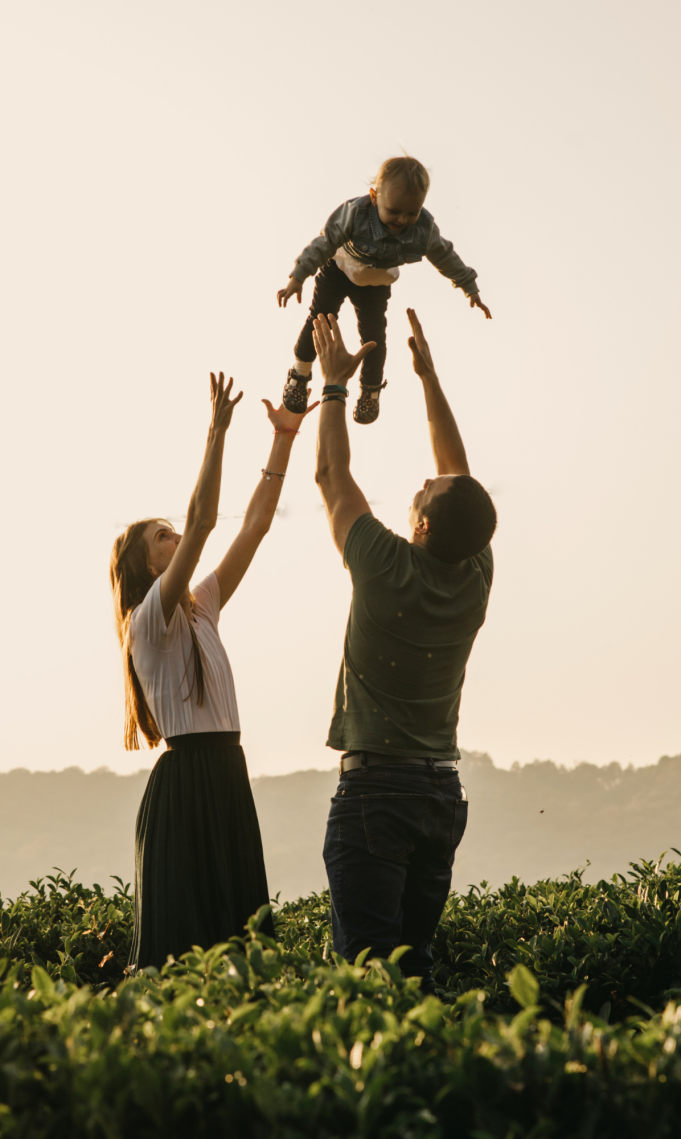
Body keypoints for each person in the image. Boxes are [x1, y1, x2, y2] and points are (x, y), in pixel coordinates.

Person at [310, 308, 497, 992]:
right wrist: (428, 379)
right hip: (439, 793)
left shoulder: (385, 565)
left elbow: (331, 477)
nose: (422, 480)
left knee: (365, 978)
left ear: (419, 524)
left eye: (422, 491)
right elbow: (461, 480)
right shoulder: (474, 572)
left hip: (377, 792)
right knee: (414, 971)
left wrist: (333, 386)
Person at [109, 373, 312, 970]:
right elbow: (204, 523)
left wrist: (284, 440)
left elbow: (253, 527)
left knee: (242, 945)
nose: (176, 538)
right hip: (187, 784)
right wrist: (217, 433)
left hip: (226, 773)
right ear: (144, 564)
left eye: (171, 532)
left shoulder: (202, 607)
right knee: (185, 951)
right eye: (162, 536)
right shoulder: (149, 618)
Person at [276, 155, 491, 425]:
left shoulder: (423, 230)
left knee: (374, 336)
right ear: (374, 196)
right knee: (320, 318)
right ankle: (300, 373)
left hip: (375, 282)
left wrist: (469, 287)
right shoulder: (355, 212)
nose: (402, 219)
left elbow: (445, 256)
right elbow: (325, 241)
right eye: (395, 211)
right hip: (339, 268)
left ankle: (370, 390)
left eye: (412, 213)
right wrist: (298, 275)